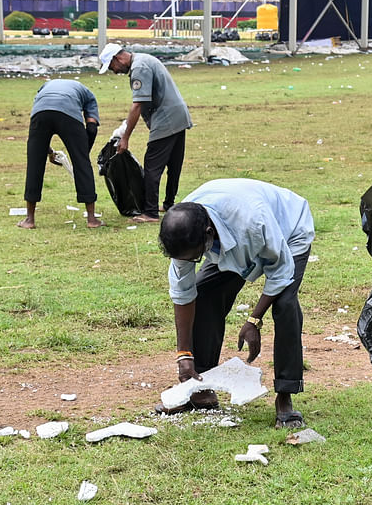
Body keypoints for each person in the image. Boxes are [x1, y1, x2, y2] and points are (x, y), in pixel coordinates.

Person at [157, 178, 312, 428]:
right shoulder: (183, 230)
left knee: (285, 305)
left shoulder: (252, 222)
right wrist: (183, 354)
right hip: (234, 239)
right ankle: (201, 387)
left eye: (197, 256)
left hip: (288, 231)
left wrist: (254, 320)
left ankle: (285, 396)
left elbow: (281, 272)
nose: (195, 260)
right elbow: (183, 292)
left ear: (208, 235)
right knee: (204, 292)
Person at [98, 43, 192, 224]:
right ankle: (168, 204)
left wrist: (125, 138)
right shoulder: (144, 59)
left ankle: (150, 213)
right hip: (178, 115)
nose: (114, 71)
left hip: (166, 119)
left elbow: (138, 104)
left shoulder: (139, 68)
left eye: (112, 67)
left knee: (152, 166)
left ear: (118, 59)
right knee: (174, 164)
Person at [19, 79, 103, 229]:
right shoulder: (89, 96)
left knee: (34, 164)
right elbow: (91, 127)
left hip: (41, 113)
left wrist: (49, 151)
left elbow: (39, 139)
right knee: (82, 166)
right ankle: (92, 219)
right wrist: (81, 153)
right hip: (69, 114)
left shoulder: (43, 89)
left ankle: (29, 220)